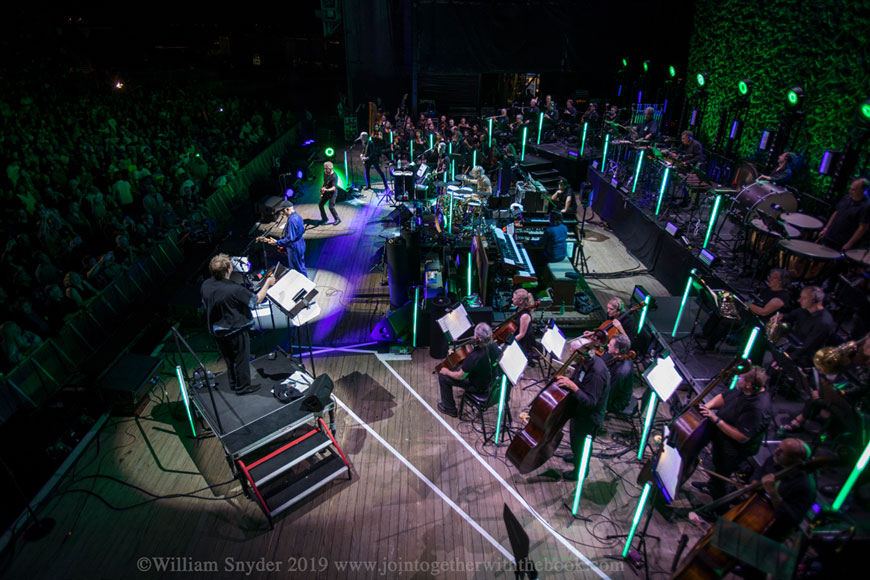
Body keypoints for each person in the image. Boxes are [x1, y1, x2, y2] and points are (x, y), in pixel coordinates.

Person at [201, 253, 276, 395]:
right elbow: (256, 300)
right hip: (235, 330)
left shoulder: (206, 285)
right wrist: (267, 283)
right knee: (241, 359)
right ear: (228, 269)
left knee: (229, 359)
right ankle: (243, 387)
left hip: (217, 330)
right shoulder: (235, 290)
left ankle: (234, 383)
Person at [695, 366, 773, 500]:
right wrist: (707, 407)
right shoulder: (745, 389)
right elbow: (724, 397)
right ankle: (711, 485)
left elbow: (741, 437)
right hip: (722, 432)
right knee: (716, 465)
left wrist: (715, 419)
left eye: (741, 377)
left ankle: (718, 505)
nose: (738, 378)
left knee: (721, 475)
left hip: (734, 447)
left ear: (749, 385)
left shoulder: (758, 408)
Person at [699, 269, 791, 352]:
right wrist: (744, 305)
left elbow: (763, 312)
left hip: (757, 321)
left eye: (773, 278)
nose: (769, 279)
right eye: (769, 276)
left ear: (781, 281)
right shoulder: (768, 290)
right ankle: (705, 334)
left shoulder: (781, 297)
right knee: (722, 309)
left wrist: (747, 304)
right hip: (747, 313)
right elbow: (753, 300)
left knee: (725, 321)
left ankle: (710, 345)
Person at [555, 351, 611, 479]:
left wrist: (573, 387)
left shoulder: (596, 373)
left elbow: (590, 402)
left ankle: (580, 472)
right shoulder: (585, 363)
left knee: (582, 446)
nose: (571, 357)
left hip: (589, 419)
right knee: (576, 441)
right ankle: (576, 457)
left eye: (573, 355)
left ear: (582, 355)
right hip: (579, 412)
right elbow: (578, 379)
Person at [437, 323, 501, 417]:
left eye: (475, 335)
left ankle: (449, 408)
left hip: (479, 387)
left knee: (443, 377)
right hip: (492, 383)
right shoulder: (494, 346)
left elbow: (460, 376)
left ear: (478, 338)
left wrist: (447, 371)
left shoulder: (474, 356)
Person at [770, 286, 835, 368]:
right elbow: (790, 316)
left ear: (814, 300)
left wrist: (785, 360)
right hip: (795, 346)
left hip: (806, 358)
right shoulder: (805, 309)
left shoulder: (823, 322)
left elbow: (807, 347)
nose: (799, 300)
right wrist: (781, 317)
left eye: (804, 298)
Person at [818, 177, 870, 251]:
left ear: (863, 191)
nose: (849, 191)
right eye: (850, 188)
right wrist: (826, 229)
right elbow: (836, 213)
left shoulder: (866, 206)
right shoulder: (846, 198)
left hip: (841, 242)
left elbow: (862, 228)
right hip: (829, 235)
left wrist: (849, 244)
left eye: (854, 190)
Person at [266, 201, 307, 278]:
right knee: (300, 266)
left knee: (296, 269)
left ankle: (305, 283)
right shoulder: (297, 216)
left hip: (294, 247)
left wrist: (277, 242)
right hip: (300, 243)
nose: (282, 213)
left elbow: (290, 238)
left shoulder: (292, 220)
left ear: (287, 209)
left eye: (282, 211)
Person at [604, 334, 635, 414]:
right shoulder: (620, 357)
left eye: (610, 345)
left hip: (616, 401)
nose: (607, 345)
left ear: (617, 351)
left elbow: (611, 393)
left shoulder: (620, 372)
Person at [511, 289, 536, 358]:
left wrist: (508, 343)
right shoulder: (518, 309)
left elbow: (521, 335)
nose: (512, 299)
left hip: (523, 344)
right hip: (517, 339)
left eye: (514, 298)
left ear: (521, 301)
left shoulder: (525, 316)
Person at [318, 161, 340, 226]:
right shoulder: (325, 173)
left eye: (326, 169)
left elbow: (334, 188)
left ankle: (337, 219)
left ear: (330, 169)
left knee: (331, 207)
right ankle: (324, 219)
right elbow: (324, 181)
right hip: (326, 191)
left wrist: (326, 189)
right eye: (324, 168)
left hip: (332, 193)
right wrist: (322, 188)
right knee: (320, 205)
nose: (325, 170)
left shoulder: (334, 176)